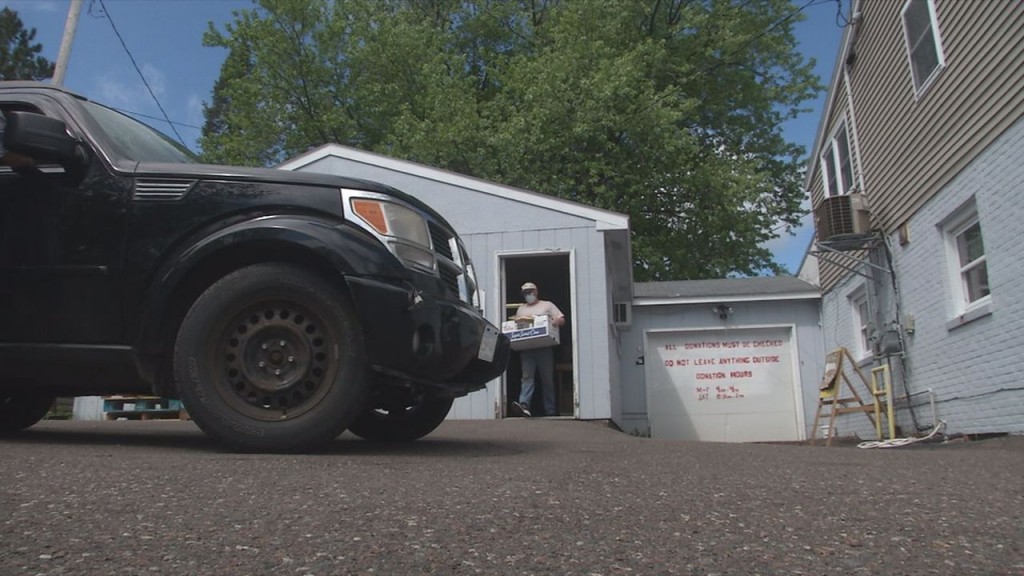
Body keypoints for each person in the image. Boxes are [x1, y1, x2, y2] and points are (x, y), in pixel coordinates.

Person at [512, 282, 565, 417]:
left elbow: (561, 319)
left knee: (547, 379)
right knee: (527, 378)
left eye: (530, 292)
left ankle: (550, 411)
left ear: (536, 292)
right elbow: (516, 325)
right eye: (525, 293)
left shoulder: (547, 305)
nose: (528, 295)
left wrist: (555, 322)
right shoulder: (521, 309)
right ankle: (524, 405)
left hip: (543, 347)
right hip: (527, 348)